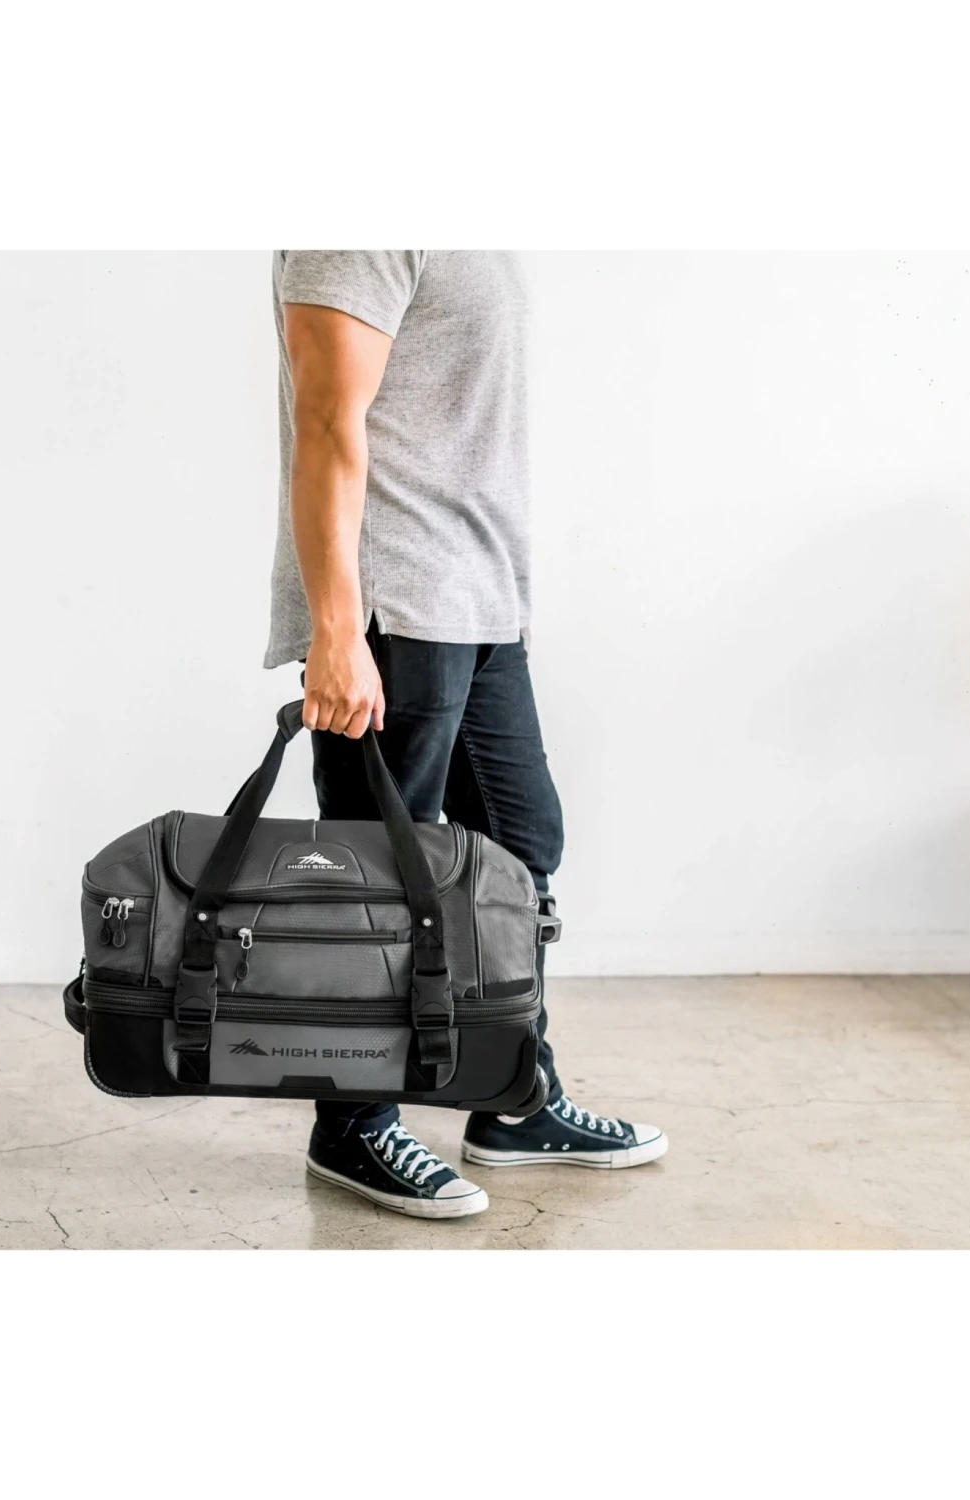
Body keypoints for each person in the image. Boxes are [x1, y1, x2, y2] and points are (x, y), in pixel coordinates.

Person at [268, 251, 667, 1219]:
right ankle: (353, 1124)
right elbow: (326, 417)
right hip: (395, 601)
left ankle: (513, 1098)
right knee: (382, 877)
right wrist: (336, 632)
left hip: (475, 595)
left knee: (518, 850)